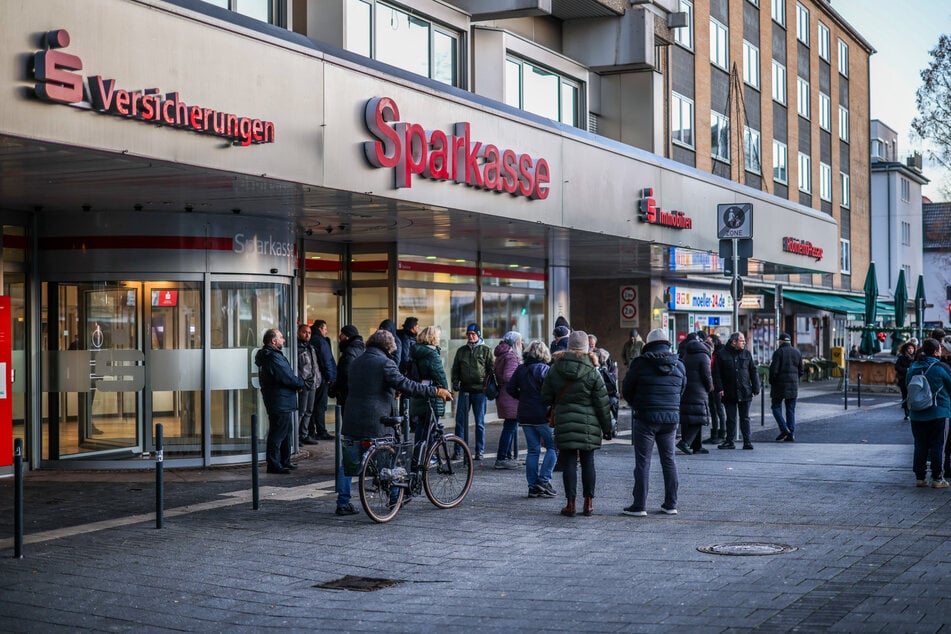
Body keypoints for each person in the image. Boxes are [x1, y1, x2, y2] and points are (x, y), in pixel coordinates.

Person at [334, 329, 453, 515]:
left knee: (348, 463)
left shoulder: (357, 361)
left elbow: (369, 386)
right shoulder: (385, 363)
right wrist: (435, 391)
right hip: (377, 422)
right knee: (391, 459)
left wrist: (390, 390)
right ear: (388, 347)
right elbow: (406, 384)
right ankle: (395, 497)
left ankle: (342, 503)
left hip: (351, 420)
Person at [543, 330, 613, 518]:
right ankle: (588, 504)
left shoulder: (556, 368)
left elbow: (545, 396)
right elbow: (602, 402)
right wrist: (607, 428)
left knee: (569, 463)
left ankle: (570, 504)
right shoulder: (593, 371)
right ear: (586, 347)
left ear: (568, 346)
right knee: (588, 462)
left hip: (565, 422)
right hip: (589, 425)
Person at [621, 328, 686, 517]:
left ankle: (639, 505)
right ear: (667, 343)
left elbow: (627, 388)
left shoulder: (640, 363)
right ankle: (671, 503)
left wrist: (637, 405)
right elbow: (682, 388)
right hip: (670, 419)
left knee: (643, 462)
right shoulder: (679, 365)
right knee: (669, 460)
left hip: (645, 418)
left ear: (648, 344)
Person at [506, 340, 557, 497]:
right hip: (542, 414)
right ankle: (544, 480)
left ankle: (532, 486)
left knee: (533, 450)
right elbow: (551, 392)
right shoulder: (545, 369)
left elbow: (510, 388)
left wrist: (521, 397)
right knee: (553, 447)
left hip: (525, 414)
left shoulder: (521, 369)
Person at [254, 329, 305, 474]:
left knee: (285, 431)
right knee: (278, 432)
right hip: (279, 399)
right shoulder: (272, 357)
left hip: (281, 399)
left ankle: (284, 460)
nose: (283, 340)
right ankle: (274, 464)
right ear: (273, 341)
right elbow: (286, 376)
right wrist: (299, 384)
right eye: (281, 338)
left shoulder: (271, 356)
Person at [905, 338, 951, 488]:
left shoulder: (913, 367)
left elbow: (908, 386)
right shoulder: (940, 367)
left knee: (920, 445)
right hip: (939, 412)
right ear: (936, 351)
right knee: (938, 445)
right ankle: (937, 478)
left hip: (917, 413)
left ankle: (920, 478)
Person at [451, 323, 494, 460]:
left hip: (480, 391)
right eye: (468, 334)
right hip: (464, 390)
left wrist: (488, 385)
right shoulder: (461, 351)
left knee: (479, 423)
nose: (470, 336)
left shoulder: (486, 350)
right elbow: (456, 368)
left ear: (478, 335)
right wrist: (455, 382)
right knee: (460, 422)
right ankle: (458, 451)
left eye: (473, 334)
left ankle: (479, 451)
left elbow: (491, 369)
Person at [407, 325, 449, 466]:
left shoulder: (415, 352)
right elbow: (440, 375)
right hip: (432, 392)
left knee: (421, 425)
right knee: (431, 425)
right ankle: (428, 456)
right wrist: (446, 391)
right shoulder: (431, 354)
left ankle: (418, 455)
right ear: (433, 337)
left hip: (418, 391)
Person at [712, 332, 760, 450]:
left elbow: (753, 371)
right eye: (742, 341)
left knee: (745, 418)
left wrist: (756, 387)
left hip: (744, 391)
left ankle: (747, 441)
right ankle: (729, 441)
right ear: (734, 342)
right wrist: (720, 388)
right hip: (728, 391)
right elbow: (716, 374)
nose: (744, 343)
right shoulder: (722, 354)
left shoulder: (746, 353)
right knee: (731, 418)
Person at [676, 332, 712, 456]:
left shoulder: (687, 354)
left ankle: (697, 446)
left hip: (687, 389)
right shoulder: (704, 356)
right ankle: (685, 442)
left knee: (689, 418)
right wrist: (709, 388)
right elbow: (707, 376)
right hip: (699, 391)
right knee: (699, 419)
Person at [493, 331, 523, 470]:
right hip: (510, 396)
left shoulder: (502, 354)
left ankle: (507, 456)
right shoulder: (511, 356)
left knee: (509, 427)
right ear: (514, 342)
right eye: (520, 341)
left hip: (504, 395)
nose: (521, 344)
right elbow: (508, 376)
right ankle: (501, 458)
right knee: (509, 428)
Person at [769, 332, 804, 442]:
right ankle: (791, 434)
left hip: (779, 385)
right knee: (790, 409)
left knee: (775, 407)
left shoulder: (778, 352)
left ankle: (784, 429)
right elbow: (801, 370)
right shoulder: (797, 352)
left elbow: (773, 370)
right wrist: (794, 379)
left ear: (781, 341)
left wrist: (772, 381)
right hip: (793, 385)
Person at [310, 319, 337, 440]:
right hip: (321, 378)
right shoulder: (321, 341)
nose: (326, 331)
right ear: (320, 328)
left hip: (314, 378)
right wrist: (330, 377)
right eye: (325, 329)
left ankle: (311, 431)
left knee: (312, 406)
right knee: (320, 406)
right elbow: (327, 361)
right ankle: (321, 431)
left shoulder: (313, 340)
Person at [296, 323, 322, 446]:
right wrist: (300, 382)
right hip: (303, 384)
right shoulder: (296, 348)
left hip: (313, 383)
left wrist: (318, 379)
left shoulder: (311, 348)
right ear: (298, 333)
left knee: (309, 411)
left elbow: (314, 366)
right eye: (304, 332)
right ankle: (295, 437)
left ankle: (304, 435)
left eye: (309, 333)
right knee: (301, 411)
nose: (307, 335)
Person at [334, 325, 364, 414]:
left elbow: (346, 372)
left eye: (342, 334)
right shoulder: (361, 348)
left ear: (347, 336)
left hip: (347, 391)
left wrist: (337, 387)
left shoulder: (349, 351)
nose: (339, 336)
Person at [703, 334, 728, 444]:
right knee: (712, 409)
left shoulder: (719, 354)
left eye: (709, 341)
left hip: (717, 385)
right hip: (710, 385)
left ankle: (722, 433)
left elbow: (718, 371)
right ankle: (714, 434)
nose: (707, 343)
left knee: (719, 409)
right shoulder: (709, 353)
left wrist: (718, 385)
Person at [895, 340, 917, 420]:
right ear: (906, 349)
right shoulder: (902, 357)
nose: (911, 350)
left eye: (912, 348)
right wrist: (906, 370)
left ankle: (912, 412)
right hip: (903, 379)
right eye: (909, 348)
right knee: (905, 396)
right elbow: (897, 367)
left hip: (913, 380)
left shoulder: (916, 358)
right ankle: (907, 413)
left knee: (913, 396)